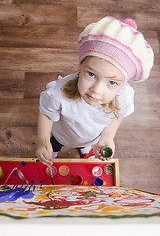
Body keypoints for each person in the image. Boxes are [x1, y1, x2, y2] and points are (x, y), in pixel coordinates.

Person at [35, 16, 154, 167]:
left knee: (85, 142)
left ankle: (84, 147)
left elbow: (120, 114)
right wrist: (41, 140)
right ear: (81, 65)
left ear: (123, 84)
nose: (96, 90)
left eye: (111, 82)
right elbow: (46, 113)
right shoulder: (59, 93)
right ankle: (55, 147)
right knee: (56, 142)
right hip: (63, 134)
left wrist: (108, 136)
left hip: (92, 137)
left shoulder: (124, 96)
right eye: (91, 74)